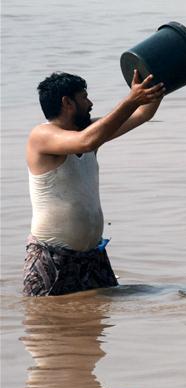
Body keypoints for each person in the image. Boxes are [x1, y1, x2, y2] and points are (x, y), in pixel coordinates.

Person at [24, 70, 165, 296]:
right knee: (47, 327)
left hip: (93, 255)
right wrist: (130, 100)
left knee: (95, 327)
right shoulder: (41, 136)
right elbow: (86, 142)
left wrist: (157, 81)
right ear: (67, 102)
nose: (90, 103)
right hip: (52, 256)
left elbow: (141, 115)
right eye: (84, 97)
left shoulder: (90, 132)